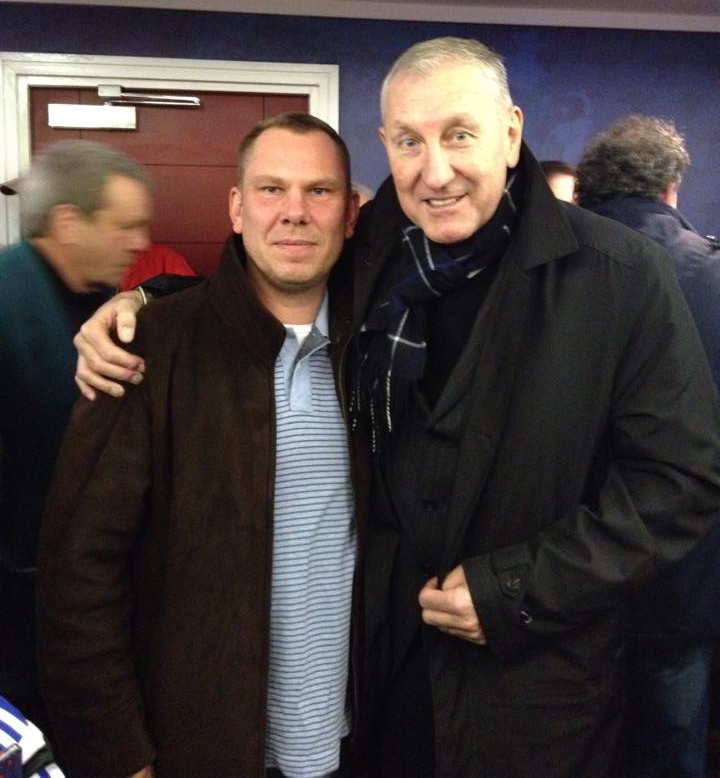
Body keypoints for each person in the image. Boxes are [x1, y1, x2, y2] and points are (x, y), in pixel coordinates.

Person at [70, 39, 720, 778]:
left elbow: (682, 479)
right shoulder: (379, 246)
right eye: (410, 141)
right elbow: (274, 275)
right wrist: (145, 302)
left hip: (537, 694)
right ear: (386, 145)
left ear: (511, 133)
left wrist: (519, 589)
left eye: (459, 135)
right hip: (379, 690)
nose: (434, 171)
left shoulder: (620, 275)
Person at [36, 114, 364, 778]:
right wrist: (119, 754)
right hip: (196, 746)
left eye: (319, 191)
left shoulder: (379, 354)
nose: (294, 212)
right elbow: (78, 572)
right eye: (271, 189)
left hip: (349, 740)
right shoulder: (148, 349)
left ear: (351, 213)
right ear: (237, 209)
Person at [577, 114, 720, 778]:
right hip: (681, 565)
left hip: (562, 565)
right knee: (669, 744)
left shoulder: (542, 269)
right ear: (670, 188)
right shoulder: (709, 274)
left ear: (587, 189)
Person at [0, 140, 152, 736]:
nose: (140, 242)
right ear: (68, 222)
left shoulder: (98, 302)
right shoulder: (9, 303)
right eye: (125, 226)